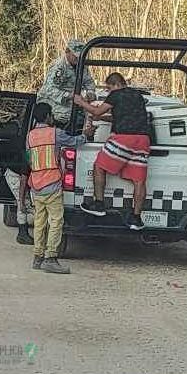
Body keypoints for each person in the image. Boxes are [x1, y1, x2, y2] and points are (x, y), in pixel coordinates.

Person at [74, 72, 151, 230]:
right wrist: (102, 119)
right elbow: (121, 116)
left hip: (124, 138)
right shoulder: (137, 96)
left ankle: (99, 204)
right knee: (139, 181)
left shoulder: (116, 95)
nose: (109, 92)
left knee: (99, 166)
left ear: (116, 84)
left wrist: (81, 102)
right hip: (143, 140)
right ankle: (136, 218)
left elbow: (96, 111)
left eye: (109, 88)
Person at [27, 102, 91, 274]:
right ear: (48, 116)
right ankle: (51, 258)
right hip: (52, 183)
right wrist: (86, 134)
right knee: (56, 221)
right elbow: (74, 142)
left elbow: (29, 159)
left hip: (36, 184)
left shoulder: (30, 136)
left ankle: (38, 257)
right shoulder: (55, 133)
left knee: (40, 221)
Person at [37, 39, 97, 130]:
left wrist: (90, 93)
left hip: (73, 100)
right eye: (75, 56)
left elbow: (89, 82)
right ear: (67, 52)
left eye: (80, 56)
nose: (77, 59)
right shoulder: (58, 67)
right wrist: (69, 95)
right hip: (53, 101)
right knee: (68, 116)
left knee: (88, 113)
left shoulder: (82, 65)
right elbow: (49, 89)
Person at [4, 166, 34, 245]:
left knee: (27, 202)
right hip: (14, 176)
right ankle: (22, 235)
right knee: (24, 203)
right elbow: (23, 182)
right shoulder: (29, 161)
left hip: (21, 176)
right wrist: (21, 203)